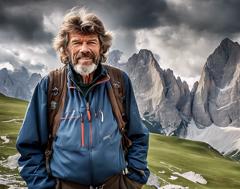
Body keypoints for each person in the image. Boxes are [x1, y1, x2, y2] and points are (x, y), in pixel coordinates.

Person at [16, 8, 150, 189]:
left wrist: (134, 180)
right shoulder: (50, 85)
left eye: (91, 42)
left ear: (101, 47)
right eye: (77, 42)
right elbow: (29, 146)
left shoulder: (119, 81)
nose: (84, 49)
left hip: (114, 184)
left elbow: (138, 136)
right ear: (66, 48)